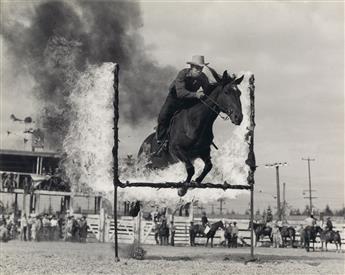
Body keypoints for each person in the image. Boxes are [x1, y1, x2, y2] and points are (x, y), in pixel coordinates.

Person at [156, 55, 210, 146]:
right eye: (197, 68)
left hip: (189, 99)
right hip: (174, 99)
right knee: (163, 116)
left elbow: (209, 88)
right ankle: (161, 140)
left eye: (201, 68)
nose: (199, 70)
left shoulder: (203, 77)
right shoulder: (182, 74)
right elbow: (180, 93)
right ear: (191, 67)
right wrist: (196, 94)